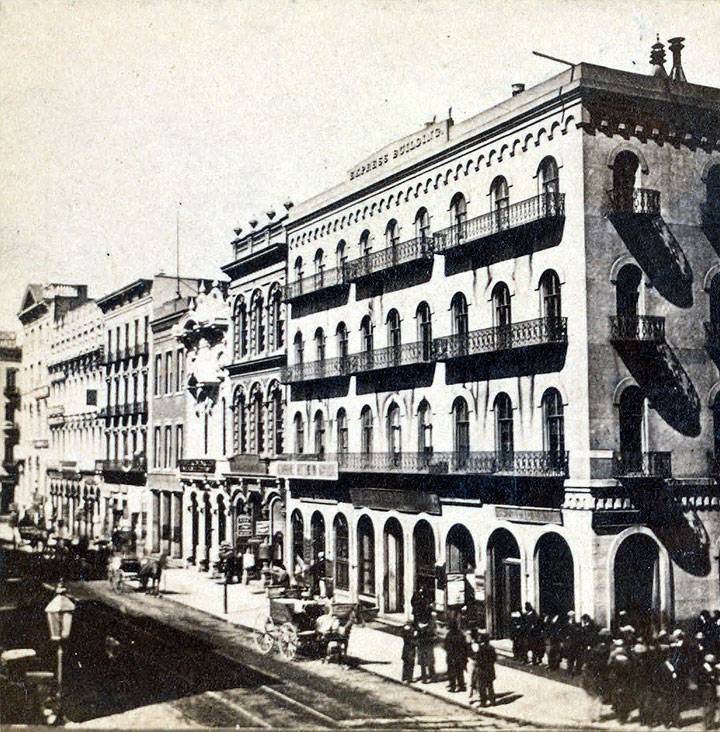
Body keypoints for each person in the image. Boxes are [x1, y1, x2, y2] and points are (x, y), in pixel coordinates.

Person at [582, 628, 611, 723]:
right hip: (600, 675)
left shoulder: (595, 648)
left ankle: (589, 716)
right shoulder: (607, 649)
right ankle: (597, 716)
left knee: (590, 697)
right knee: (599, 696)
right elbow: (607, 664)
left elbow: (588, 661)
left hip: (590, 674)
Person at [698, 653, 719, 731]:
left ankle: (711, 724)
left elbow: (715, 678)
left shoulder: (713, 668)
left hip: (711, 690)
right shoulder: (703, 669)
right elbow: (701, 680)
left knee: (712, 708)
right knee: (707, 708)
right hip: (706, 690)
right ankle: (706, 725)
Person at [475, 631, 497, 707]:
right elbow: (494, 658)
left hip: (482, 670)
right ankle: (492, 701)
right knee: (490, 686)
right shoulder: (491, 648)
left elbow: (478, 659)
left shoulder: (481, 648)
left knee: (482, 687)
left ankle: (483, 702)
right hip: (490, 669)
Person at [444, 622, 467, 692]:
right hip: (460, 657)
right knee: (460, 672)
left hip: (451, 657)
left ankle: (453, 687)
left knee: (451, 673)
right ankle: (461, 686)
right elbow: (465, 646)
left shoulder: (449, 635)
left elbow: (446, 646)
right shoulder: (461, 635)